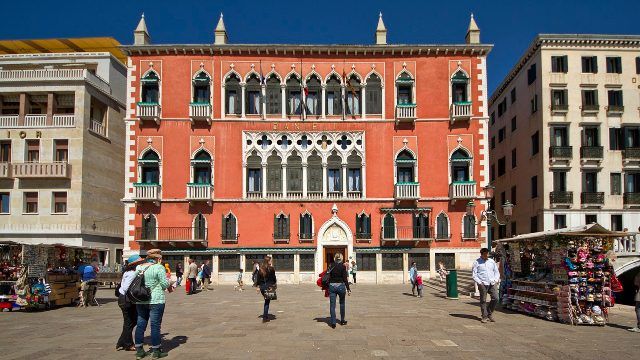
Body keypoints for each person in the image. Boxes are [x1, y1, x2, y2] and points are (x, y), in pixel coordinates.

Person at [134, 249, 172, 359]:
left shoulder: (139, 267)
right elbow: (164, 284)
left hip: (140, 299)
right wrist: (170, 282)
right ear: (158, 258)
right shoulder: (159, 267)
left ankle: (139, 351)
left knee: (140, 324)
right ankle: (156, 351)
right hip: (156, 299)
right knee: (155, 325)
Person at [116, 254, 145, 351]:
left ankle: (122, 341)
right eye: (140, 263)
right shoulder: (132, 273)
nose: (141, 264)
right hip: (126, 299)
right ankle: (127, 344)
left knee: (131, 321)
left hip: (124, 299)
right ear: (135, 264)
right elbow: (125, 288)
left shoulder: (127, 272)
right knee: (129, 321)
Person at [472, 248, 501, 323]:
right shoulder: (477, 262)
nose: (487, 255)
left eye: (488, 254)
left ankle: (489, 313)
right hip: (483, 283)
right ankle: (484, 316)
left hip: (492, 282)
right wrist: (479, 282)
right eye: (485, 254)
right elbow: (474, 275)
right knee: (483, 300)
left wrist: (496, 280)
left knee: (496, 298)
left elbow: (496, 271)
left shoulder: (491, 261)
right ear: (482, 254)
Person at [327, 253, 351, 328]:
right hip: (341, 286)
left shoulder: (330, 265)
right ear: (341, 258)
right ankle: (342, 320)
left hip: (332, 286)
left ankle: (333, 323)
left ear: (335, 258)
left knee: (332, 305)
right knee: (342, 304)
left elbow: (328, 276)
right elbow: (345, 279)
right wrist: (348, 289)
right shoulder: (343, 267)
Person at [255, 256, 277, 323]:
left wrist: (258, 287)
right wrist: (274, 285)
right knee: (267, 302)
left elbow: (258, 279)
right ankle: (265, 317)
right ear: (268, 261)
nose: (271, 261)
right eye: (271, 260)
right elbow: (274, 279)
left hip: (262, 287)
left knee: (266, 301)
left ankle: (265, 316)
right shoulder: (272, 269)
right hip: (269, 287)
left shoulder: (260, 269)